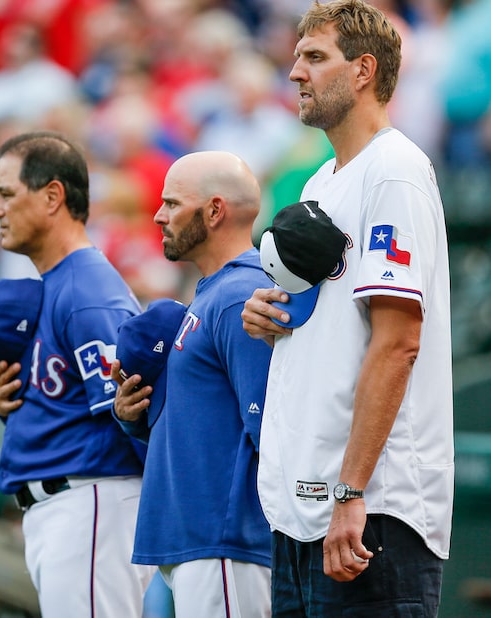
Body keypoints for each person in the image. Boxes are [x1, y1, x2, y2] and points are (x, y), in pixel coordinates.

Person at [241, 1, 453, 615]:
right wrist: (269, 317)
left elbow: (398, 342)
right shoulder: (320, 181)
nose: (294, 73)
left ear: (363, 70)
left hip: (371, 510)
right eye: (295, 57)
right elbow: (325, 325)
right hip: (310, 509)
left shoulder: (395, 172)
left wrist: (351, 490)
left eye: (314, 57)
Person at [0, 130, 155, 616]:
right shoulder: (60, 282)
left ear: (53, 196)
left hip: (91, 503)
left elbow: (131, 417)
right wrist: (16, 409)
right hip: (70, 506)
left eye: (6, 194)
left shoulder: (88, 291)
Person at [111, 151, 273, 617]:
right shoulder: (214, 292)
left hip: (225, 538)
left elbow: (270, 427)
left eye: (172, 203)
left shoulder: (242, 294)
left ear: (214, 210)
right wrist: (134, 416)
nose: (158, 215)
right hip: (200, 538)